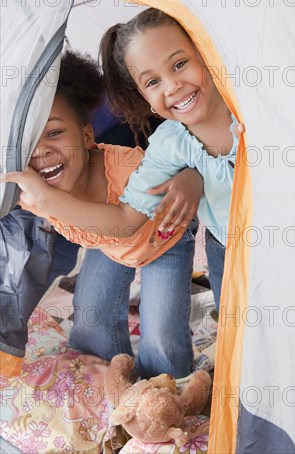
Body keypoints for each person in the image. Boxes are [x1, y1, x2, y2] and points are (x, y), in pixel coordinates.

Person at [3, 8, 241, 310]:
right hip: (224, 249)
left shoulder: (249, 107)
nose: (172, 86)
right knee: (243, 331)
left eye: (180, 64)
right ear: (142, 95)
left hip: (198, 239)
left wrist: (192, 176)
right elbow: (125, 221)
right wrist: (44, 198)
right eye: (152, 83)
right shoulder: (169, 145)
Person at [3, 50, 203, 378]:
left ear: (86, 136)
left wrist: (190, 176)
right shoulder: (34, 188)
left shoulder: (128, 169)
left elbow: (123, 225)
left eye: (54, 133)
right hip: (109, 247)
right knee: (91, 323)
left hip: (162, 238)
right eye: (28, 145)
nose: (41, 151)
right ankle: (116, 380)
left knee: (162, 335)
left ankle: (164, 394)